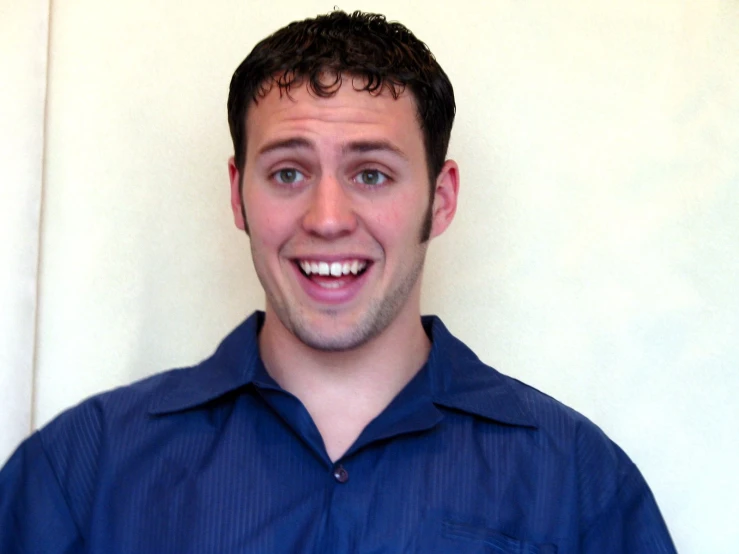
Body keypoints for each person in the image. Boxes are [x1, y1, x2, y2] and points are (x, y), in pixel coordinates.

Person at [0, 10, 677, 553]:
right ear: (238, 194)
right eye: (288, 172)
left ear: (440, 199)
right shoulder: (81, 470)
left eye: (371, 173)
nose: (327, 219)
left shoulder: (576, 479)